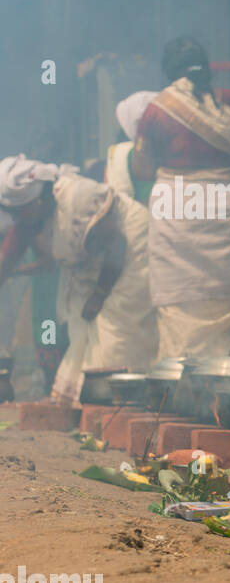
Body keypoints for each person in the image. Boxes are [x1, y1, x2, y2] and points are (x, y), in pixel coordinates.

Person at [131, 37, 230, 358]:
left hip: (176, 220)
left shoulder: (157, 110)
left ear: (168, 71)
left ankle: (181, 383)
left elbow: (141, 170)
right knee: (228, 306)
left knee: (179, 310)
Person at [0, 156, 156, 403]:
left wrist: (100, 293)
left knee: (116, 329)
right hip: (96, 263)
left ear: (36, 200)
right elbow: (5, 263)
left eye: (17, 212)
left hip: (130, 251)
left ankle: (131, 402)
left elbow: (116, 244)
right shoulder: (28, 219)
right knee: (82, 327)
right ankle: (85, 402)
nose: (15, 219)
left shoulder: (75, 198)